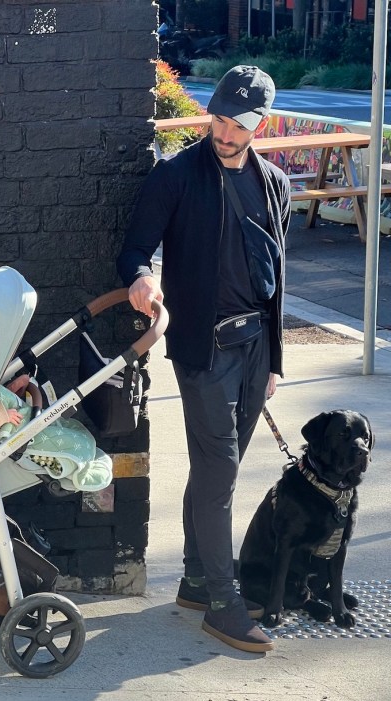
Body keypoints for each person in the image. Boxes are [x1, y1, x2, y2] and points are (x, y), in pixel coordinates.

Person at [117, 65, 291, 654]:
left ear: (257, 126)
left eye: (236, 124)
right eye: (217, 119)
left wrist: (274, 362)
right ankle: (223, 599)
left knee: (222, 469)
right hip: (204, 349)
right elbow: (135, 248)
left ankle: (195, 577)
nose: (223, 132)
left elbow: (277, 279)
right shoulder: (176, 175)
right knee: (220, 476)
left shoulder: (274, 184)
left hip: (254, 349)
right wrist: (142, 280)